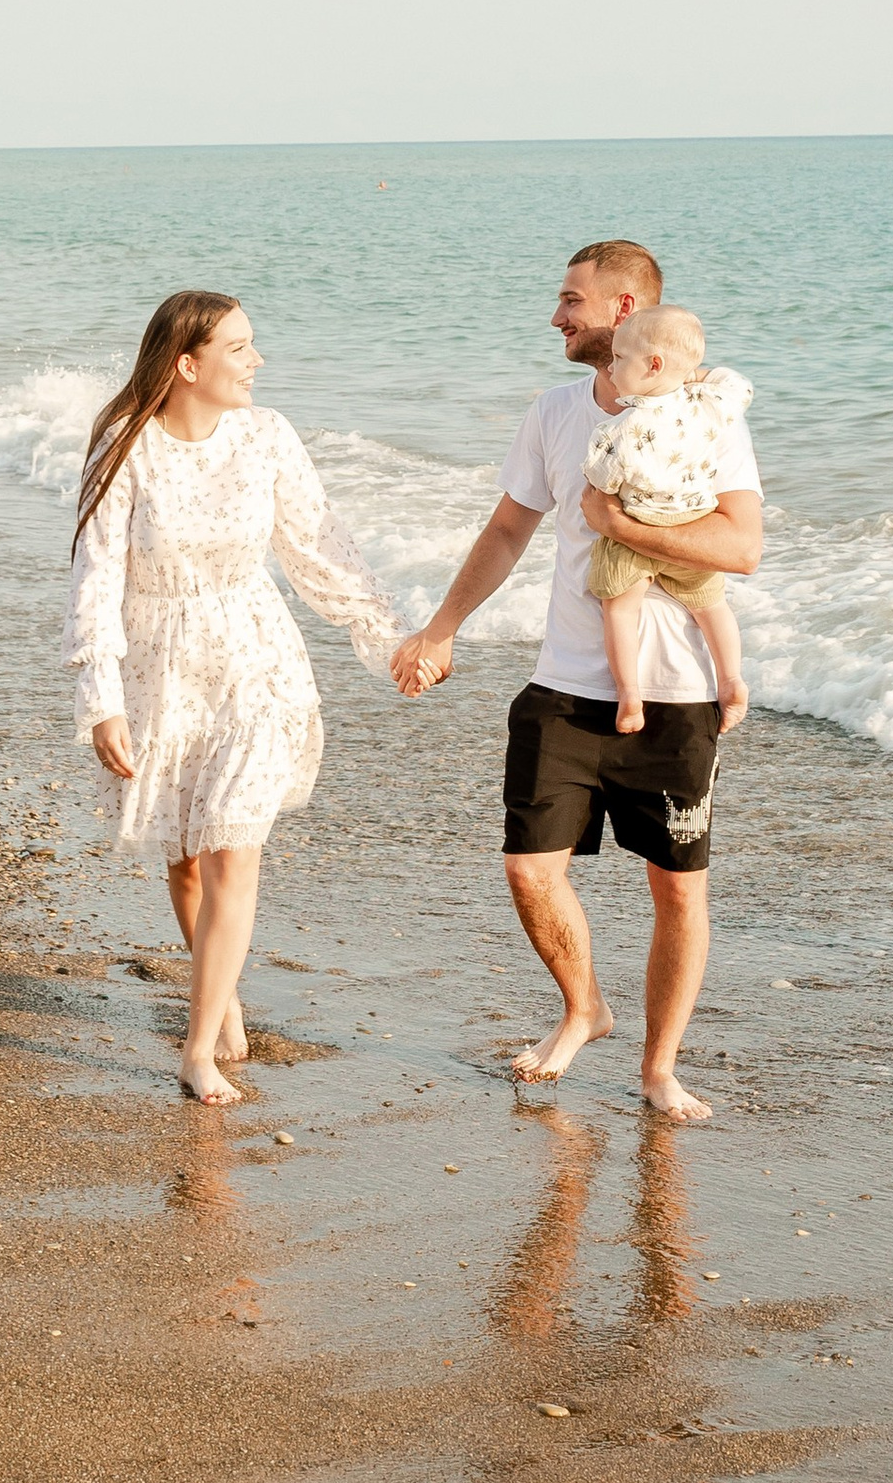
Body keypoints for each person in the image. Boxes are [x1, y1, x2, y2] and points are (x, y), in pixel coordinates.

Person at [389, 240, 763, 1122]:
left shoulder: (711, 420)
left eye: (570, 298)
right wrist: (441, 627)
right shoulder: (554, 414)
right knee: (529, 869)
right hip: (564, 682)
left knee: (678, 887)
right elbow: (508, 531)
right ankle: (583, 1008)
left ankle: (658, 1067)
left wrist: (617, 522)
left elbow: (740, 549)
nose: (556, 314)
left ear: (625, 311)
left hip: (675, 694)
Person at [66, 289, 399, 1107]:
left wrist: (391, 640)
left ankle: (196, 1045)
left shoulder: (266, 435)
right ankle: (225, 993)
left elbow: (319, 545)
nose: (258, 361)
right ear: (188, 364)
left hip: (256, 659)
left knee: (234, 842)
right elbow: (96, 580)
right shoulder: (126, 447)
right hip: (161, 669)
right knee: (185, 858)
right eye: (240, 348)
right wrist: (101, 693)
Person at [583, 303, 753, 735]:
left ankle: (630, 696)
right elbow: (738, 385)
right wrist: (692, 375)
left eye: (619, 358)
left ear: (653, 365)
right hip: (692, 521)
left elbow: (601, 477)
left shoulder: (621, 428)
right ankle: (731, 680)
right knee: (712, 606)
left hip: (636, 526)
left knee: (619, 608)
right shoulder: (710, 406)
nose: (610, 365)